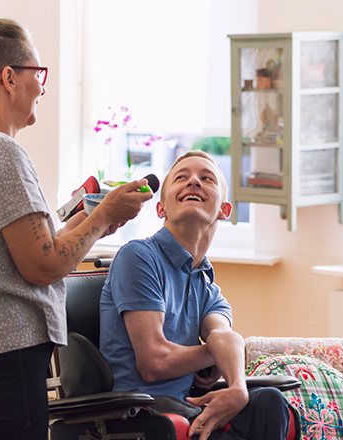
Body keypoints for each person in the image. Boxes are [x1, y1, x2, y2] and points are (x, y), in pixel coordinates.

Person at [0, 19, 152, 440]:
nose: (43, 88)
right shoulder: (0, 152)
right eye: (38, 74)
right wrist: (103, 215)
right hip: (4, 359)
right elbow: (44, 266)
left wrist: (91, 224)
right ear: (9, 78)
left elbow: (21, 252)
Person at [100, 151, 291, 440]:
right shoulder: (138, 256)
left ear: (224, 210)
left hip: (184, 408)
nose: (193, 182)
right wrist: (215, 353)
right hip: (140, 414)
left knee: (270, 402)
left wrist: (237, 387)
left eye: (206, 178)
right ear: (161, 208)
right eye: (181, 177)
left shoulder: (204, 282)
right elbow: (154, 362)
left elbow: (225, 335)